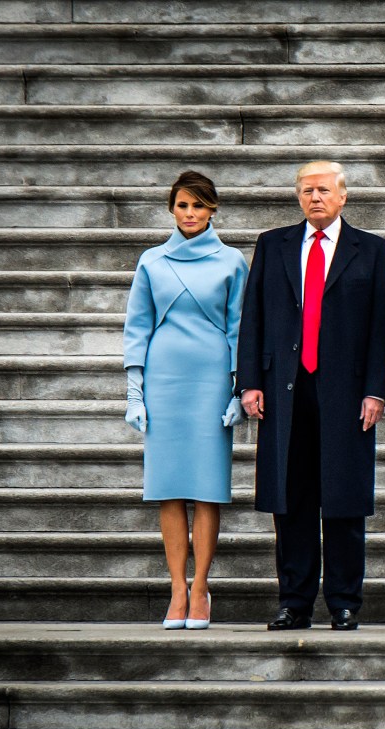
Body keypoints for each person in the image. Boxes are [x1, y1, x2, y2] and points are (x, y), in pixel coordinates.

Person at [236, 160, 385, 632]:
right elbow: (254, 317)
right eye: (307, 191)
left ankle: (344, 601)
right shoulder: (273, 245)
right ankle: (295, 602)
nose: (316, 198)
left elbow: (381, 328)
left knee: (343, 500)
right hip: (285, 391)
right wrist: (250, 382)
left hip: (346, 394)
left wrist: (376, 391)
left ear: (343, 196)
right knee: (292, 501)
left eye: (324, 190)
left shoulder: (372, 250)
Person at [122, 170, 249, 631]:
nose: (190, 213)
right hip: (165, 380)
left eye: (198, 205)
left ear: (212, 209)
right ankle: (177, 589)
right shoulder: (152, 261)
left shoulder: (233, 261)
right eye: (182, 205)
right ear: (171, 209)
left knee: (206, 488)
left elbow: (240, 328)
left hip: (211, 379)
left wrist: (239, 387)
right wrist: (135, 392)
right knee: (169, 488)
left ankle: (201, 587)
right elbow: (137, 326)